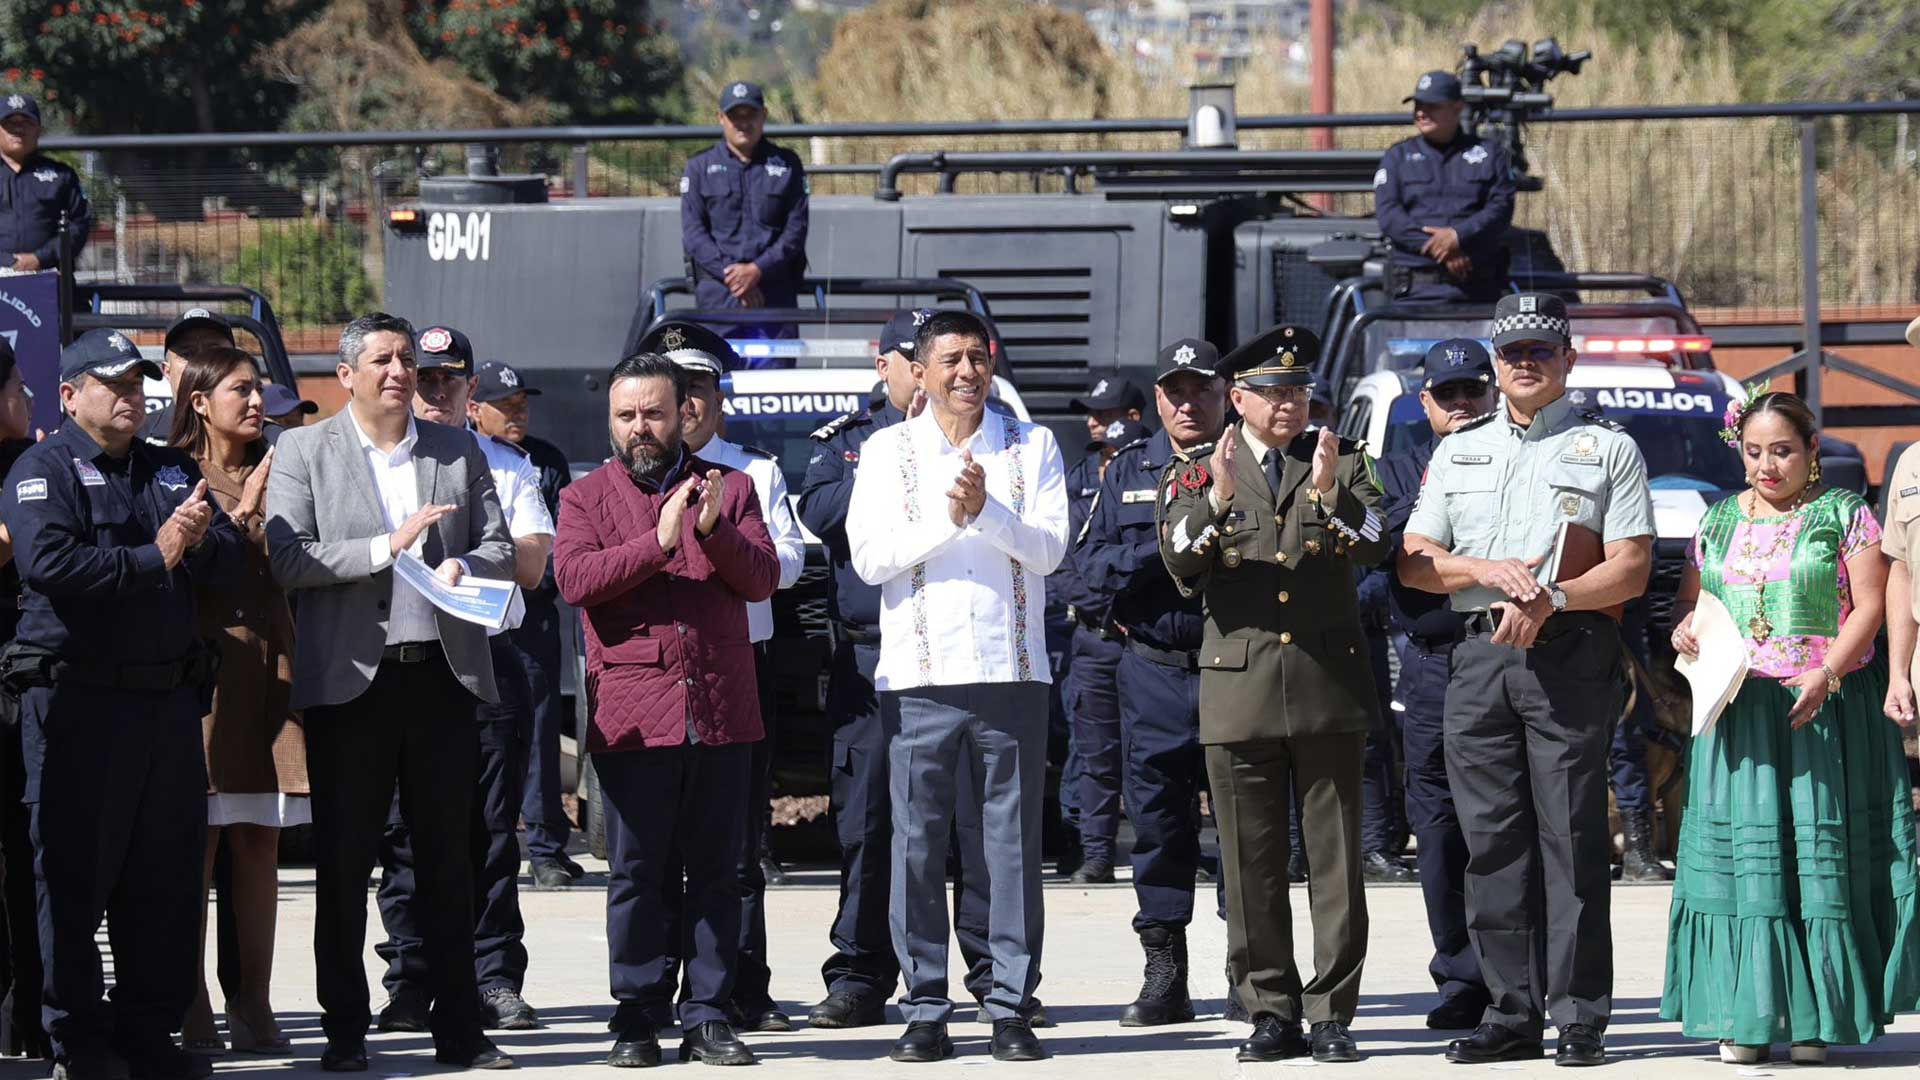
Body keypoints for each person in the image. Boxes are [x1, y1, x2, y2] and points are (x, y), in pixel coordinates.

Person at [1400, 293, 1654, 1067]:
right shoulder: (1459, 448)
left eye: (1541, 349)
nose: (1525, 361)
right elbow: (1415, 561)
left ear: (1568, 360)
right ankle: (1512, 1011)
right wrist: (1481, 569)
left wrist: (1557, 597)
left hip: (1569, 654)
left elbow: (1634, 567)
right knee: (1491, 844)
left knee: (1570, 837)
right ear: (1496, 363)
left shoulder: (1607, 449)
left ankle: (1579, 1015)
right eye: (1512, 351)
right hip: (1477, 658)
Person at [264, 312, 517, 1073]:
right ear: (346, 376)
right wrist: (388, 547)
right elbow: (288, 556)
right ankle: (345, 1032)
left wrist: (464, 568)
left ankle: (460, 1033)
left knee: (449, 861)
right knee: (344, 867)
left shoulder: (456, 448)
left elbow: (501, 543)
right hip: (352, 686)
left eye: (406, 359)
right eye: (381, 360)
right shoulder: (304, 450)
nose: (399, 372)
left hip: (440, 677)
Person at [2, 328, 246, 1080]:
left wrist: (202, 544)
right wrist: (157, 555)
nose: (133, 397)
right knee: (75, 878)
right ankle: (79, 1040)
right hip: (78, 708)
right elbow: (50, 563)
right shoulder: (42, 470)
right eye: (115, 385)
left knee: (165, 880)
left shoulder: (171, 470)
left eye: (140, 384)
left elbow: (232, 561)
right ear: (71, 395)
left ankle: (149, 1034)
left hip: (166, 710)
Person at [1663, 390, 1917, 1065]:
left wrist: (1828, 673)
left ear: (1811, 453)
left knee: (1813, 864)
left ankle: (1816, 1021)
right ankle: (1745, 1017)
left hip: (1823, 712)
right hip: (1738, 715)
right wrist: (1684, 629)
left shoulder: (1845, 515)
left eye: (1782, 451)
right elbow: (1693, 606)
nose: (1767, 466)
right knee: (1750, 869)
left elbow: (1870, 606)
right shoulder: (1715, 521)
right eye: (1754, 452)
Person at [847, 309, 1068, 1064]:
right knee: (917, 847)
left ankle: (1009, 1005)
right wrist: (952, 520)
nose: (966, 372)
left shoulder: (1030, 444)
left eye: (978, 357)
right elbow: (871, 559)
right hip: (919, 677)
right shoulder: (886, 451)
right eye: (950, 360)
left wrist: (990, 513)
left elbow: (1048, 551)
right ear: (920, 367)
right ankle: (927, 1007)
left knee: (1007, 848)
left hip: (1012, 673)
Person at [1159, 325, 1382, 1065]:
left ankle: (1331, 1013)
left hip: (1327, 686)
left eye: (1298, 391)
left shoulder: (1343, 460)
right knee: (1250, 865)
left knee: (1336, 864)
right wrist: (1220, 498)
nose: (1288, 404)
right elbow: (1180, 560)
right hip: (1241, 693)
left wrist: (1327, 495)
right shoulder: (1199, 470)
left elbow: (1381, 538)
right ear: (1238, 399)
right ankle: (1269, 1010)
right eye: (1272, 392)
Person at [554, 351, 779, 1068]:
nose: (640, 427)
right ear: (610, 420)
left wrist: (714, 531)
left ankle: (709, 1012)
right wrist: (655, 544)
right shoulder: (585, 499)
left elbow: (763, 579)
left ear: (684, 413)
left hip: (720, 709)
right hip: (632, 715)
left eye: (653, 412)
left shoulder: (734, 488)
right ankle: (637, 1013)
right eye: (626, 415)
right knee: (637, 873)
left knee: (719, 871)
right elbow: (576, 580)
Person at [797, 309, 1004, 1032]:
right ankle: (861, 972)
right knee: (873, 825)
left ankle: (988, 972)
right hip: (869, 655)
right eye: (910, 362)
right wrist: (903, 461)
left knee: (977, 828)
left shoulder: (996, 435)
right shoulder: (855, 443)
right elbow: (820, 511)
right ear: (888, 366)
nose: (931, 377)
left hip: (965, 652)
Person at [373, 327, 555, 1036]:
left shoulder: (504, 465)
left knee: (488, 833)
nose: (437, 392)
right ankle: (411, 981)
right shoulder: (381, 464)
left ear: (471, 389)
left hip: (481, 661)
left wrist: (466, 570)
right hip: (400, 662)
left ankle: (492, 977)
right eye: (426, 380)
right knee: (403, 837)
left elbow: (534, 563)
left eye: (451, 381)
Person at [643, 319, 806, 1032]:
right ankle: (662, 988)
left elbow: (792, 562)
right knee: (662, 845)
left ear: (718, 397)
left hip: (739, 668)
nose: (691, 403)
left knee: (739, 845)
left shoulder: (755, 471)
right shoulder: (637, 469)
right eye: (677, 389)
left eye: (702, 388)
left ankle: (744, 985)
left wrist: (727, 544)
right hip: (659, 673)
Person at [1079, 338, 1228, 1027]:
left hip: (1238, 669)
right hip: (1154, 671)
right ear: (1158, 400)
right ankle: (1165, 972)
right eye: (1175, 391)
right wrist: (1168, 548)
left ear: (1224, 395)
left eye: (1202, 389)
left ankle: (1254, 973)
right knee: (1160, 826)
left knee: (1243, 829)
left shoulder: (1251, 463)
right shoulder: (1127, 468)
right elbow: (1088, 566)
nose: (1188, 403)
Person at [167, 347, 306, 1057]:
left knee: (260, 839)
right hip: (207, 677)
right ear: (198, 399)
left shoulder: (287, 467)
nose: (256, 404)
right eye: (241, 391)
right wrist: (244, 513)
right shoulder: (172, 474)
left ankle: (253, 1001)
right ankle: (189, 1004)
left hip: (273, 670)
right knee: (199, 841)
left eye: (260, 392)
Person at [1368, 338, 1496, 1030]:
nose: (1462, 405)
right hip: (1432, 663)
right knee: (1440, 828)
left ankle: (1513, 974)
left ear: (1493, 392)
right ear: (1426, 404)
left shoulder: (1516, 463)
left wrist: (1455, 558)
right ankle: (1459, 976)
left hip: (1504, 653)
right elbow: (1406, 553)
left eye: (1473, 390)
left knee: (1505, 824)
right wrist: (1487, 560)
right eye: (1448, 395)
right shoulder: (1396, 471)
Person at [464, 362, 583, 889]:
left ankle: (546, 849)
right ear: (474, 409)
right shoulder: (456, 455)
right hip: (470, 616)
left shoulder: (544, 460)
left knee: (538, 736)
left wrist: (541, 580)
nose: (519, 413)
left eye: (522, 404)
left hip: (530, 616)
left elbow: (561, 539)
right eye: (505, 405)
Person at [1051, 373, 1145, 884]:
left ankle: (1161, 850)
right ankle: (1096, 855)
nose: (1095, 422)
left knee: (1153, 753)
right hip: (1096, 637)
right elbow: (1062, 560)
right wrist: (1107, 609)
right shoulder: (1077, 477)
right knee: (1094, 756)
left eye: (1106, 416)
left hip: (1145, 641)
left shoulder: (1155, 472)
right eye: (1093, 416)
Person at [680, 81, 809, 342]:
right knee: (716, 379)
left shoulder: (788, 164)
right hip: (718, 297)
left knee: (776, 381)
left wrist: (757, 270)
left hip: (774, 295)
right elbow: (694, 233)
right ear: (721, 118)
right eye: (734, 116)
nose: (743, 123)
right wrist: (734, 277)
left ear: (764, 116)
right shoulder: (698, 167)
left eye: (750, 115)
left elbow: (796, 228)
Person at [1373, 71, 1515, 303]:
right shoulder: (1397, 156)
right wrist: (1441, 248)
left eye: (1432, 106)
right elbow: (1389, 215)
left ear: (1457, 107)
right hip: (1414, 291)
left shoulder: (1490, 154)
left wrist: (1458, 236)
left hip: (1478, 289)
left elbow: (1501, 208)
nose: (1421, 113)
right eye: (1418, 105)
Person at [0, 343, 41, 1062]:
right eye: (16, 381)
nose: (29, 393)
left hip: (20, 692)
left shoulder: (30, 467)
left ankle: (27, 1017)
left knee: (25, 860)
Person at [0, 94, 90, 273]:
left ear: (38, 130)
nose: (19, 130)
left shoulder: (62, 175)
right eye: (10, 124)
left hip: (50, 279)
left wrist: (41, 258)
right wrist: (5, 261)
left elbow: (79, 224)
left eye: (26, 123)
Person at [141, 309, 238, 446]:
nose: (200, 361)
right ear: (167, 371)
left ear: (236, 364)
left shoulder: (270, 440)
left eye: (214, 351)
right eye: (187, 354)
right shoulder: (136, 437)